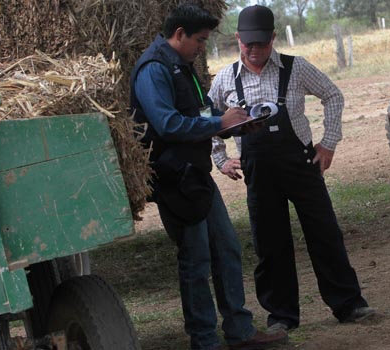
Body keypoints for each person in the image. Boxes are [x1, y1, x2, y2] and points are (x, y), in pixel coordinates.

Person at [209, 4, 375, 333]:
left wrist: (328, 142)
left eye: (261, 43)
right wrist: (221, 158)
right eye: (247, 44)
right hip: (258, 170)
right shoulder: (225, 78)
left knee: (324, 233)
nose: (254, 50)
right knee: (270, 244)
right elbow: (209, 118)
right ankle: (281, 316)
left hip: (300, 164)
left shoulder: (295, 68)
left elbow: (333, 95)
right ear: (238, 40)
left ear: (273, 37)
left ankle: (349, 304)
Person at [129, 4, 287, 350]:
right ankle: (204, 341)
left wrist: (235, 122)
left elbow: (197, 113)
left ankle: (240, 332)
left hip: (195, 175)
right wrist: (219, 123)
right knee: (196, 259)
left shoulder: (181, 66)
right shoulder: (154, 70)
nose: (203, 47)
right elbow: (167, 124)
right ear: (179, 34)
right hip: (174, 178)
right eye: (200, 41)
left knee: (226, 248)